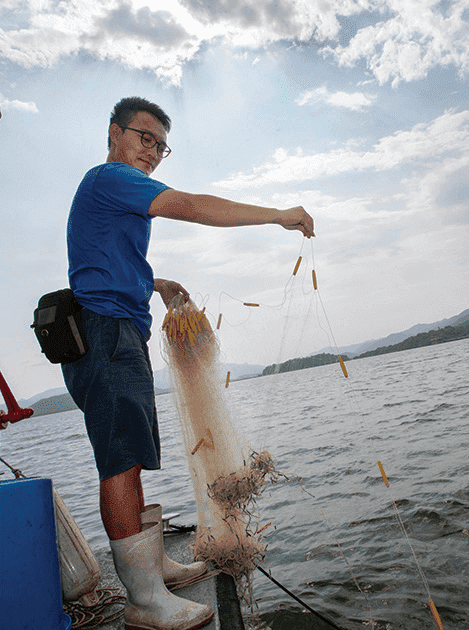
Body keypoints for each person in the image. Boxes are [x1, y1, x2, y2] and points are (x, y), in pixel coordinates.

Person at [62, 96, 314, 630]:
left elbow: (98, 259)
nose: (151, 151)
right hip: (105, 333)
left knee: (132, 453)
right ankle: (145, 602)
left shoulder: (112, 193)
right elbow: (192, 206)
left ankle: (152, 570)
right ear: (114, 133)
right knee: (119, 461)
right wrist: (277, 215)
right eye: (143, 137)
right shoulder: (110, 178)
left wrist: (153, 282)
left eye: (160, 144)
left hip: (120, 328)